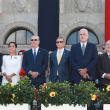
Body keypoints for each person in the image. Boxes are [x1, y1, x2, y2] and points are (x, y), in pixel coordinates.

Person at [69, 28, 98, 110]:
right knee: (78, 100)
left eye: (84, 34)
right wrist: (81, 71)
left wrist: (86, 69)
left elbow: (95, 59)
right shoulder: (74, 47)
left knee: (90, 100)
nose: (82, 36)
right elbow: (71, 61)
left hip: (89, 76)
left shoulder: (93, 46)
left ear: (88, 36)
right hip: (77, 77)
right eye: (81, 34)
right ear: (79, 36)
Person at [22, 35, 48, 110]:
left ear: (39, 41)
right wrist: (30, 72)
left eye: (35, 40)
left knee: (40, 98)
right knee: (29, 98)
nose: (34, 41)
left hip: (40, 78)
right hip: (29, 79)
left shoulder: (44, 52)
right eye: (32, 40)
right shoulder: (27, 53)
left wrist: (37, 72)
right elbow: (24, 64)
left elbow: (45, 64)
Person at [97, 40, 110, 110]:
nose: (109, 46)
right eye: (107, 44)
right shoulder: (100, 57)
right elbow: (97, 68)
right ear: (105, 46)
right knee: (103, 102)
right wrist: (104, 75)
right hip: (103, 83)